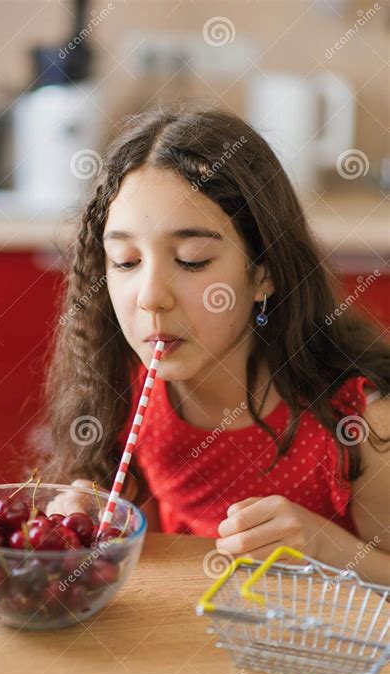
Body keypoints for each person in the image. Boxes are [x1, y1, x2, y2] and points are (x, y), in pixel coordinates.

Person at [42, 106, 390, 584]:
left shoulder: (360, 424)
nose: (150, 297)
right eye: (125, 261)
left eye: (192, 260)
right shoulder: (129, 387)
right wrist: (94, 511)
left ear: (263, 273)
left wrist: (325, 546)